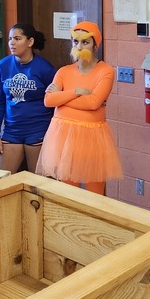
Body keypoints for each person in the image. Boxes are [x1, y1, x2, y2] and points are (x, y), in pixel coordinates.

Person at [37, 21, 122, 195]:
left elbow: (93, 103)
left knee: (95, 194)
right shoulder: (63, 71)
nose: (79, 46)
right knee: (69, 193)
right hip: (63, 137)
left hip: (92, 137)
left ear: (95, 44)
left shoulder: (105, 71)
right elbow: (48, 101)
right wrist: (76, 91)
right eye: (75, 41)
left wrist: (61, 98)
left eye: (85, 42)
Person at [0, 23, 55, 173]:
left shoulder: (45, 68)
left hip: (38, 131)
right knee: (0, 181)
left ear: (30, 42)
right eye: (10, 39)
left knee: (37, 184)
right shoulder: (3, 66)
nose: (12, 43)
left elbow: (55, 103)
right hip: (12, 130)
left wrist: (53, 136)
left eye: (17, 39)